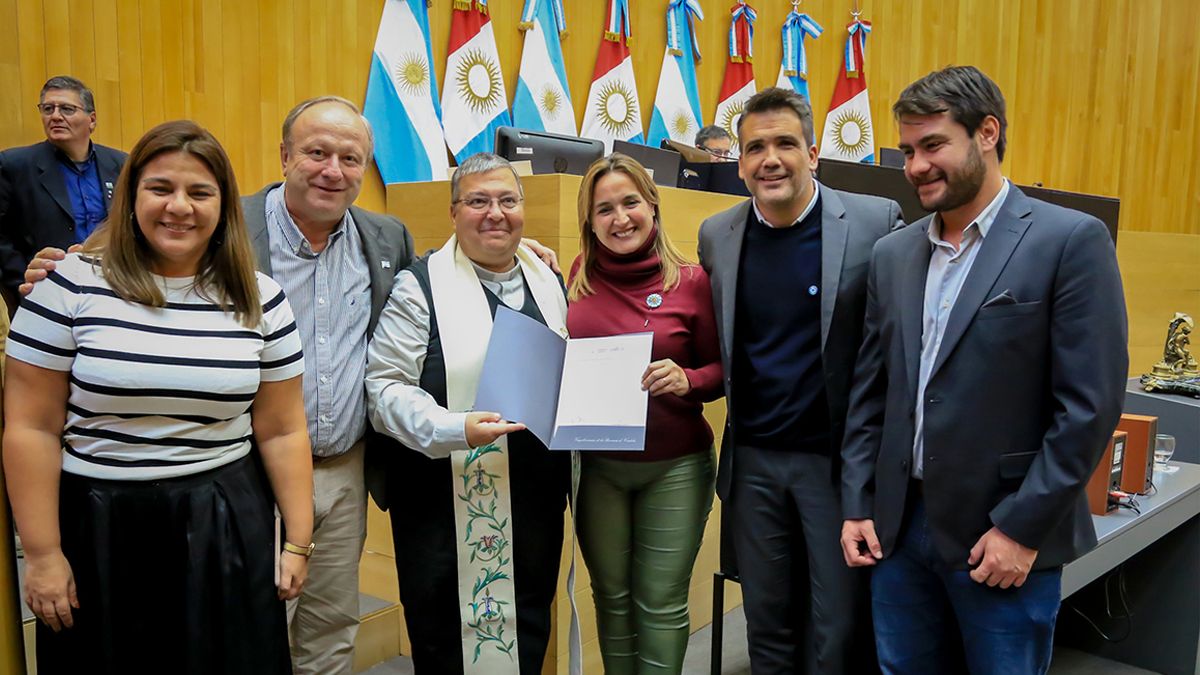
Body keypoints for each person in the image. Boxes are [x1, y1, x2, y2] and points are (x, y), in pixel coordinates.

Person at [19, 96, 559, 675]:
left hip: (344, 472)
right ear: (284, 156)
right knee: (240, 637)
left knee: (329, 635)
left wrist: (510, 247)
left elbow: (441, 286)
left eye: (350, 158)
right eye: (316, 153)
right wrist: (65, 264)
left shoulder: (385, 237)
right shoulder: (222, 222)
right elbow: (133, 254)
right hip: (243, 475)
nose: (333, 170)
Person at [839, 66, 1128, 675]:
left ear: (987, 133)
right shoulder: (893, 254)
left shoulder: (1069, 241)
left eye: (933, 145)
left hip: (999, 536)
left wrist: (1021, 530)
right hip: (897, 532)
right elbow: (872, 393)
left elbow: (1088, 407)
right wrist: (859, 503)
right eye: (907, 151)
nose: (916, 166)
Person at [3, 120, 312, 674]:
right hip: (98, 524)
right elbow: (31, 427)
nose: (179, 207)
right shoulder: (67, 285)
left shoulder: (260, 297)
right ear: (130, 196)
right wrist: (43, 554)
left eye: (200, 192)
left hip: (223, 520)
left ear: (224, 205)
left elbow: (283, 428)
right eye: (160, 188)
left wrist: (297, 541)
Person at [697, 87, 903, 674]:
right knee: (766, 624)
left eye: (785, 144)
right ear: (739, 164)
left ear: (813, 154)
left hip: (835, 467)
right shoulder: (717, 235)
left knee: (837, 629)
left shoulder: (875, 223)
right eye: (755, 148)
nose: (771, 159)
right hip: (754, 466)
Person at [365, 153, 570, 674]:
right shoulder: (419, 287)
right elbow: (384, 389)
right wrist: (455, 428)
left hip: (533, 500)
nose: (495, 213)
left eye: (507, 200)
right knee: (445, 638)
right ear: (454, 212)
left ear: (523, 209)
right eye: (478, 201)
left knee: (526, 626)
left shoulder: (546, 278)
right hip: (442, 498)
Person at [567, 154, 722, 674]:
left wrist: (689, 379)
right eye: (604, 209)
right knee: (610, 597)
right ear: (589, 221)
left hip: (674, 468)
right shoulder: (578, 276)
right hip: (598, 469)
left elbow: (724, 369)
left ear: (653, 205)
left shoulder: (693, 281)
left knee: (659, 601)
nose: (620, 218)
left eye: (630, 202)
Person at [0, 76, 127, 312]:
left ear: (92, 120)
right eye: (48, 109)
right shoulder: (15, 165)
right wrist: (23, 281)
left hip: (112, 291)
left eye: (67, 109)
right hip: (45, 291)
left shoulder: (120, 164)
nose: (56, 116)